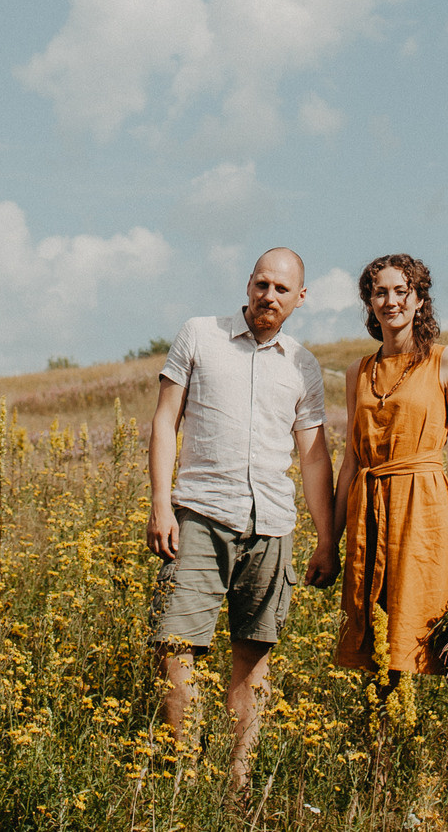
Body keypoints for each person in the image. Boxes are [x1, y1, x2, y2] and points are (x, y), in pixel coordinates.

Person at [147, 246, 340, 794]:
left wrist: (327, 539)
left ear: (300, 299)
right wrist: (161, 503)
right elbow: (165, 422)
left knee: (253, 660)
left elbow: (314, 457)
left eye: (282, 290)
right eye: (261, 284)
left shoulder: (303, 365)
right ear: (248, 284)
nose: (268, 296)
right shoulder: (199, 334)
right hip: (200, 515)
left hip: (272, 526)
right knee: (176, 647)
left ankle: (236, 785)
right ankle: (179, 783)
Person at [325, 253, 448, 792]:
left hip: (426, 515)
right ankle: (382, 783)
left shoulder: (445, 362)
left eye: (402, 290)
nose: (392, 300)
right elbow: (350, 462)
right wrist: (328, 544)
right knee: (380, 654)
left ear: (420, 299)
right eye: (380, 292)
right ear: (370, 304)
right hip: (369, 516)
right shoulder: (359, 371)